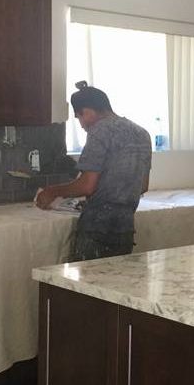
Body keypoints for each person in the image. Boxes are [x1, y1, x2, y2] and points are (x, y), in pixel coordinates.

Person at [36, 82, 152, 261]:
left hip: (96, 229)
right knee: (115, 284)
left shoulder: (99, 130)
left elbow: (87, 185)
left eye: (79, 117)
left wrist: (52, 191)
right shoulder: (142, 133)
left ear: (87, 111)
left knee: (84, 287)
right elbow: (143, 186)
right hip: (125, 227)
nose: (82, 125)